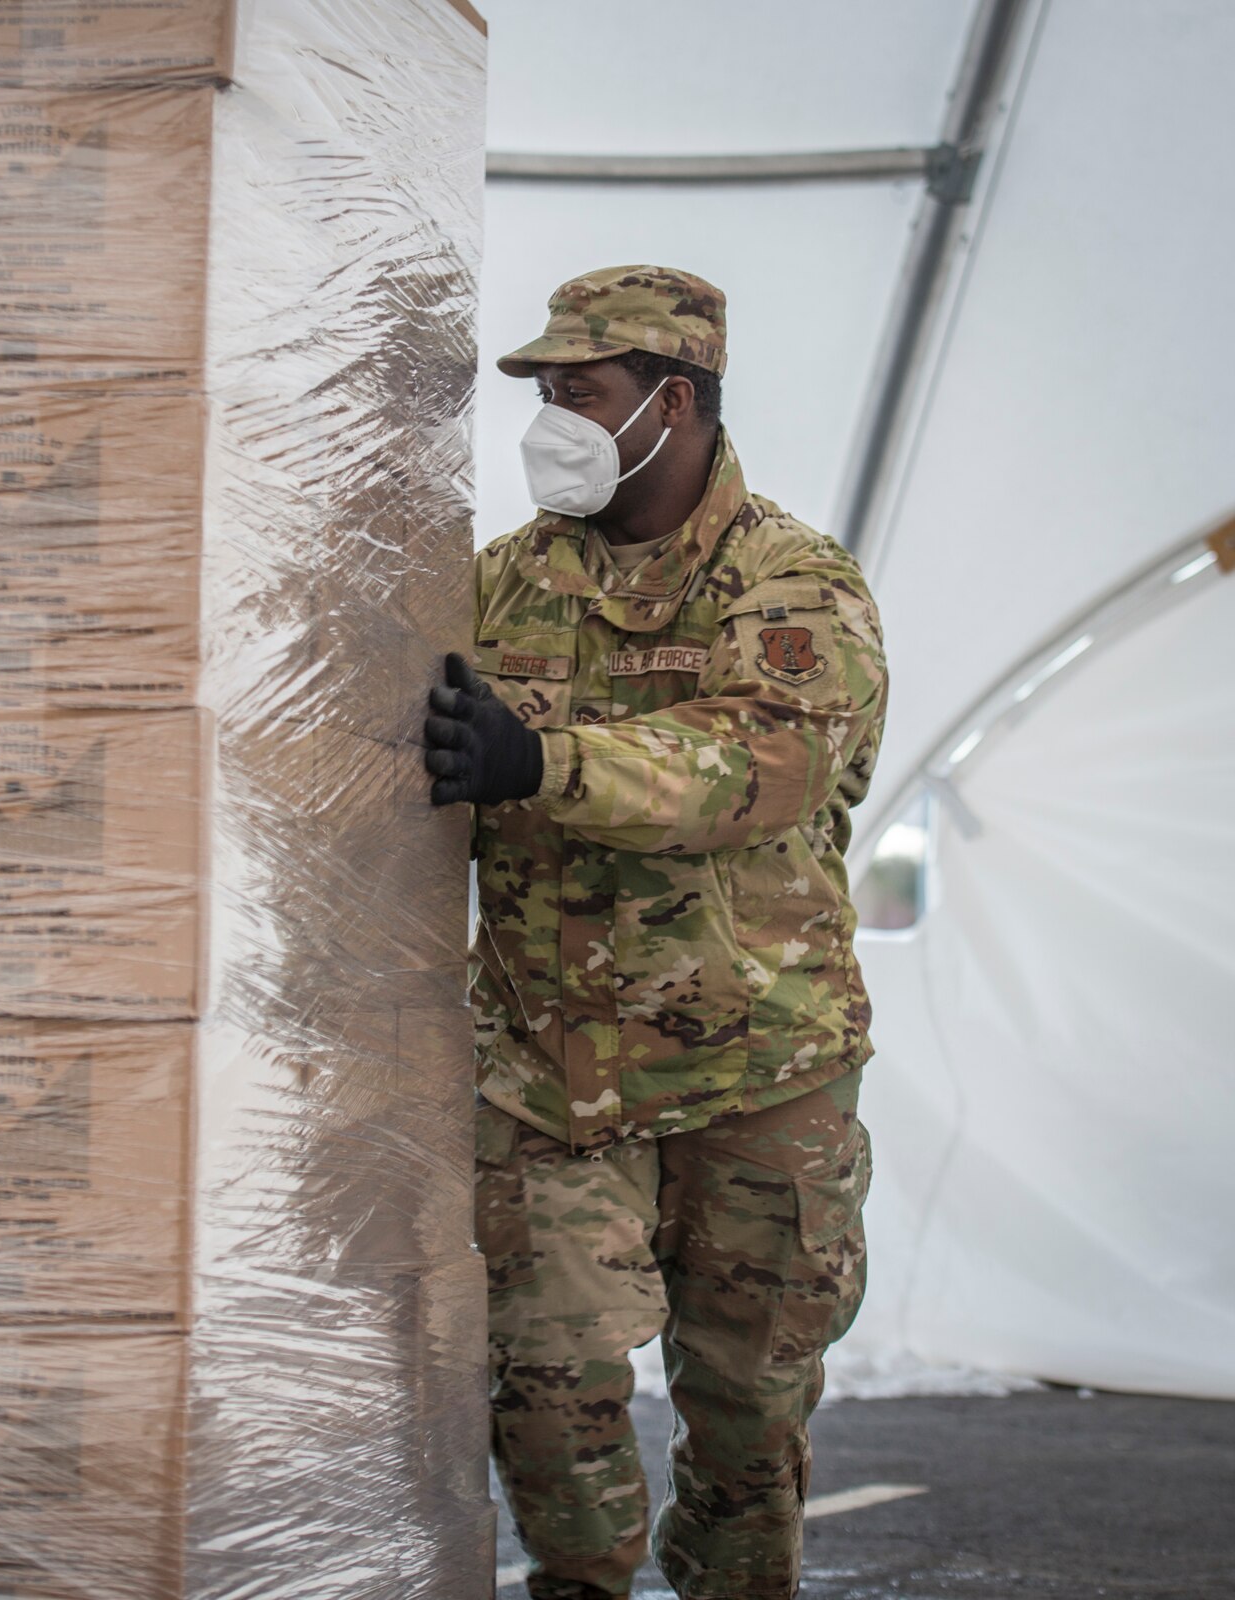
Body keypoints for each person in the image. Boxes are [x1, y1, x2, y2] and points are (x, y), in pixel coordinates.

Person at [422, 265, 888, 1600]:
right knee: (547, 1386)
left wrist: (543, 764)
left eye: (582, 388)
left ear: (670, 401)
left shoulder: (795, 585)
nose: (552, 414)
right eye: (545, 389)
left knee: (749, 1421)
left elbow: (761, 770)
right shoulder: (496, 590)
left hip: (760, 1077)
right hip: (548, 1072)